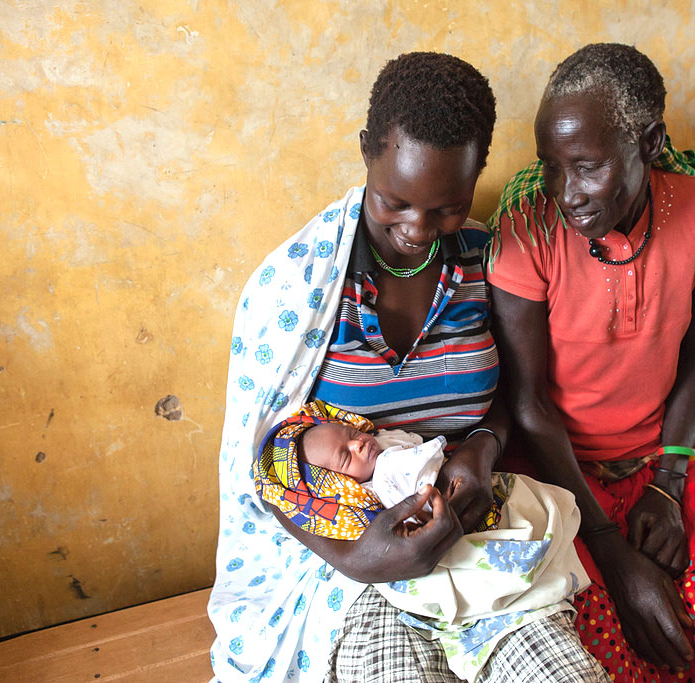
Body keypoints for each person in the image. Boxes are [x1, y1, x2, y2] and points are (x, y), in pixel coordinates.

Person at [208, 51, 607, 682]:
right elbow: (260, 461)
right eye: (396, 200)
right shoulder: (299, 284)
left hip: (480, 537)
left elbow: (512, 388)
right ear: (368, 152)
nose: (419, 229)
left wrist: (482, 444)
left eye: (448, 206)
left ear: (477, 174)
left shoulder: (487, 261)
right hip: (352, 556)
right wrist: (356, 557)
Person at [487, 44, 695, 682]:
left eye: (587, 167)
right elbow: (528, 406)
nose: (566, 192)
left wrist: (670, 481)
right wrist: (608, 544)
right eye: (552, 167)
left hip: (661, 463)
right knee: (614, 655)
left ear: (650, 142)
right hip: (556, 480)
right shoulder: (530, 233)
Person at [252, 399, 590, 682]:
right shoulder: (349, 503)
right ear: (332, 488)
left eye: (353, 433)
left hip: (476, 497)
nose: (358, 443)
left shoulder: (387, 457)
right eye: (345, 456)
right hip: (372, 570)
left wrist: (479, 448)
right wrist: (352, 558)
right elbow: (275, 490)